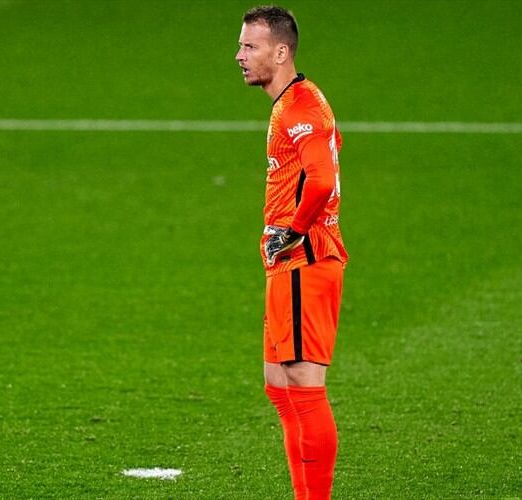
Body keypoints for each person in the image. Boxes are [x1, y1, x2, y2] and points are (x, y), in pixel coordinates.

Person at [236, 6, 349, 500]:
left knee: (303, 385)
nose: (239, 56)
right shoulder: (289, 103)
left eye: (250, 47)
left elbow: (322, 179)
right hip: (288, 263)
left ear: (280, 52)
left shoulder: (301, 107)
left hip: (307, 259)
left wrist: (294, 231)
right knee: (278, 384)